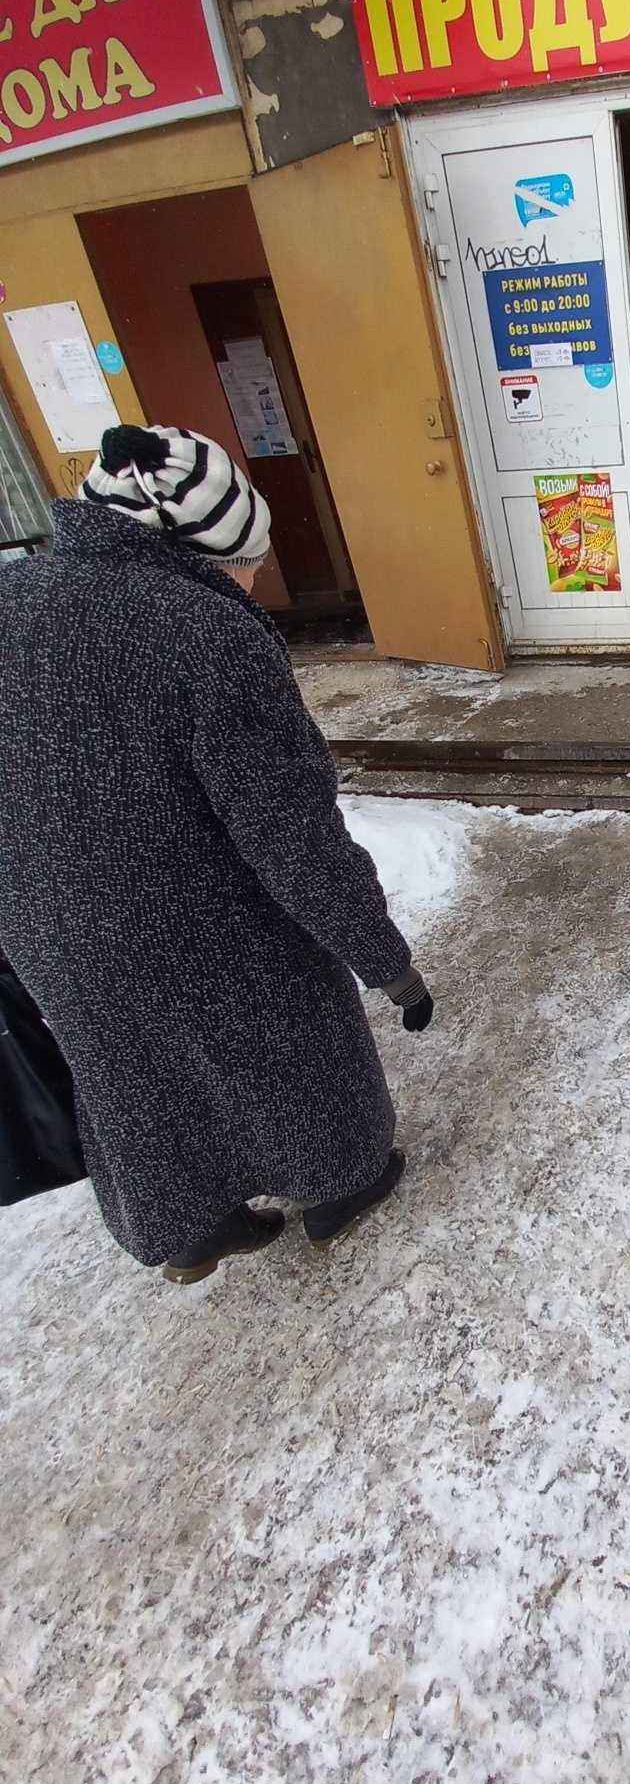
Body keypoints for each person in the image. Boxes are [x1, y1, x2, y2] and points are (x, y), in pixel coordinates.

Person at [0, 424, 433, 1285]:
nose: (252, 584)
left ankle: (192, 1228)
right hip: (203, 921)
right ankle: (341, 1185)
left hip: (43, 924)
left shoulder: (10, 598)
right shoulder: (204, 632)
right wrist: (388, 965)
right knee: (289, 1043)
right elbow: (294, 838)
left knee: (132, 1073)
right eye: (248, 564)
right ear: (198, 549)